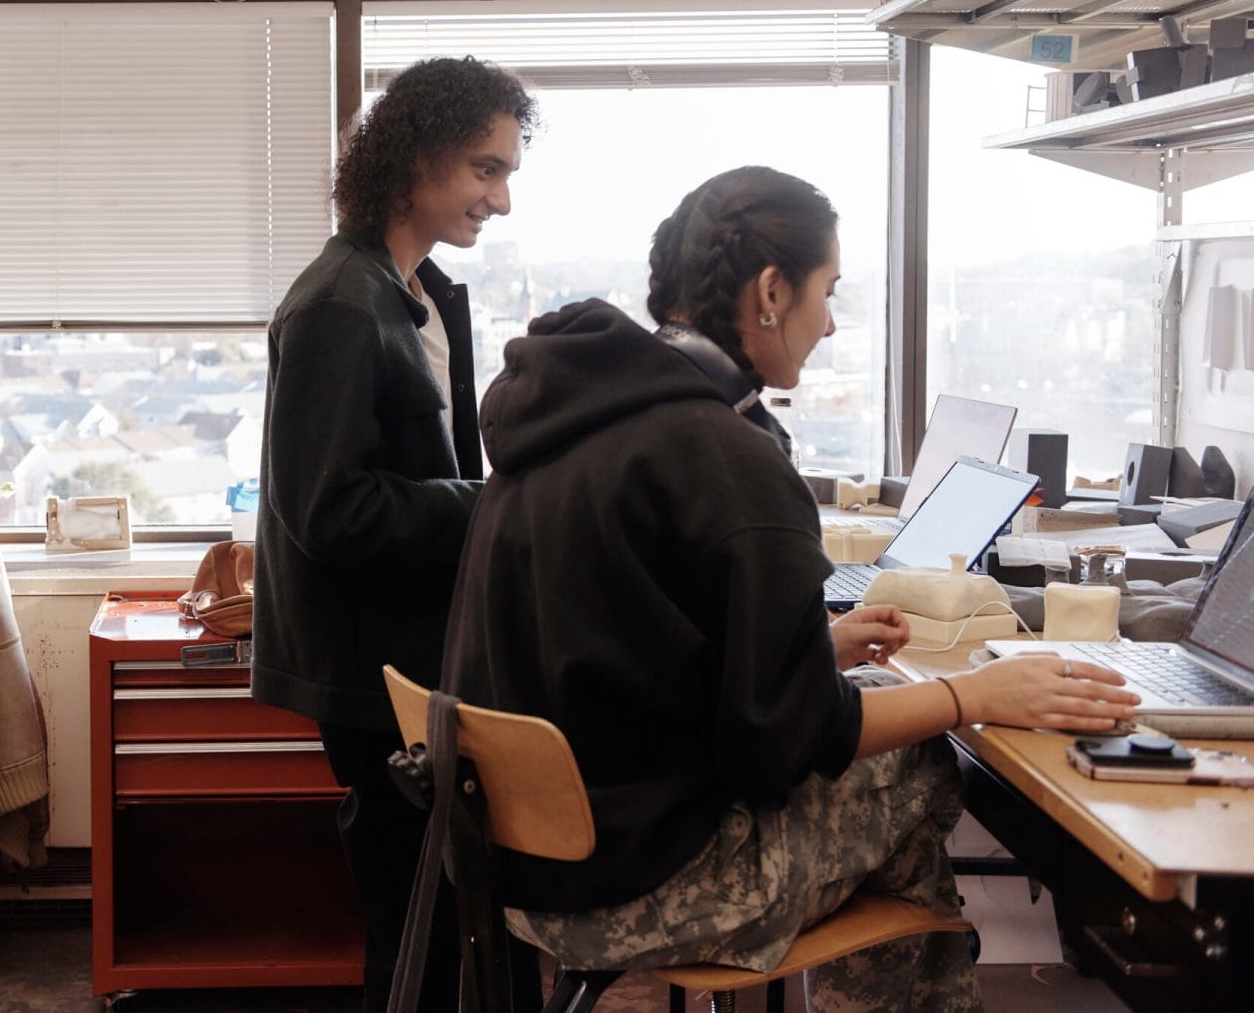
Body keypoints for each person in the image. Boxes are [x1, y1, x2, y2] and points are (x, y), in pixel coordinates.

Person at [441, 165, 1139, 1012]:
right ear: (771, 292)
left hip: (525, 870)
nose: (831, 323)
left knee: (882, 715)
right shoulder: (728, 458)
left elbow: (627, 644)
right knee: (919, 762)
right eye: (827, 292)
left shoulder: (571, 418)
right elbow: (785, 744)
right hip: (642, 890)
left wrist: (807, 647)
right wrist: (975, 693)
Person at [251, 55, 541, 1012]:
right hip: (371, 667)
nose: (499, 199)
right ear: (415, 160)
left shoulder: (418, 289)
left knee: (440, 909)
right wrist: (491, 501)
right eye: (484, 169)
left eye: (505, 172)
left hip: (417, 651)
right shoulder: (341, 302)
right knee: (415, 913)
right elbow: (325, 508)